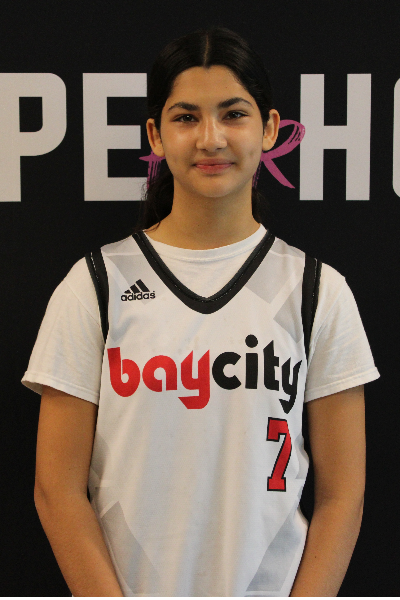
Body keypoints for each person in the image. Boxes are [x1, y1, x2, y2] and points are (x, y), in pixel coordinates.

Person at [22, 27, 380, 597]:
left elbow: (343, 495)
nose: (210, 138)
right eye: (186, 117)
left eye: (233, 114)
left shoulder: (317, 290)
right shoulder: (96, 283)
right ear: (156, 135)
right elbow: (56, 489)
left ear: (269, 128)